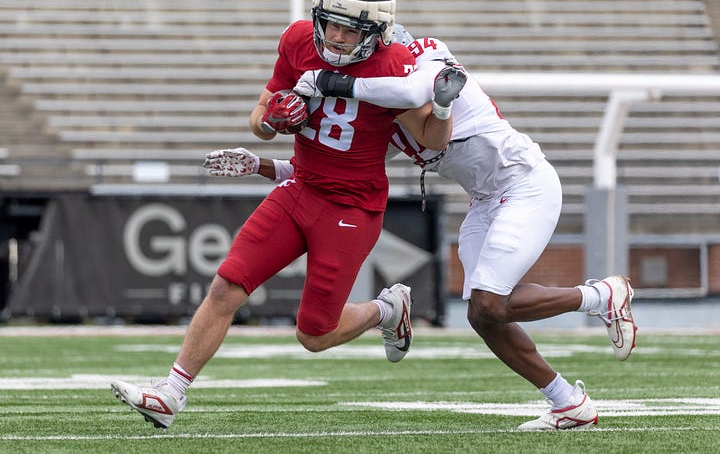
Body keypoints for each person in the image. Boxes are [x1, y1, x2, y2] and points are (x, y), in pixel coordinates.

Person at [206, 24, 638, 431]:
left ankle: (601, 296)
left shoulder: (424, 57)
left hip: (525, 184)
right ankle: (568, 402)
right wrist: (260, 165)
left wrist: (328, 81)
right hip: (485, 199)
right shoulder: (387, 111)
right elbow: (330, 170)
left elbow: (414, 89)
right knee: (483, 315)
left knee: (490, 303)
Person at [110, 0, 458, 430]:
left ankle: (388, 309)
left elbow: (432, 139)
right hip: (300, 189)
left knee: (314, 334)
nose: (335, 36)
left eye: (349, 29)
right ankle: (171, 393)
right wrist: (272, 119)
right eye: (330, 23)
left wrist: (443, 106)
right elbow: (259, 117)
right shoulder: (298, 40)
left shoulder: (393, 64)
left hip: (352, 207)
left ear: (376, 33)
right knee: (227, 285)